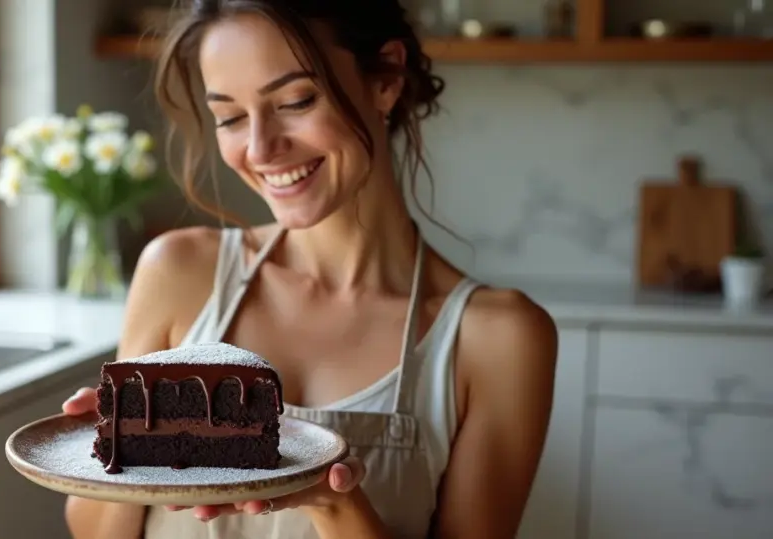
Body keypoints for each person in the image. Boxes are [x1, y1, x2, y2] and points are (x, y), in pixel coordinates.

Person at [62, 1, 558, 537]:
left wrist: (332, 500)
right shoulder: (179, 273)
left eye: (296, 101)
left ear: (386, 78)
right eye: (228, 117)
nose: (260, 148)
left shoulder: (496, 338)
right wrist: (124, 444)